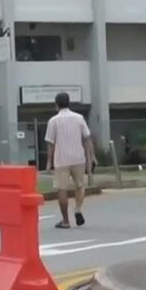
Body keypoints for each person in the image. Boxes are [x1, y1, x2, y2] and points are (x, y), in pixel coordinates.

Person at [44, 92, 95, 229]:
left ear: (56, 105)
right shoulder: (79, 118)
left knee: (62, 189)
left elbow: (50, 143)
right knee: (80, 186)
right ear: (69, 102)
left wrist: (49, 161)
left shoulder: (53, 121)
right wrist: (92, 155)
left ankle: (65, 220)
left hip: (61, 159)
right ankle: (77, 209)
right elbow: (87, 138)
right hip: (78, 157)